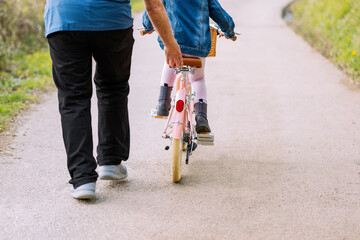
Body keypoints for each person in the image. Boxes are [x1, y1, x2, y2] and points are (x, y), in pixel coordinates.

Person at [44, 0, 183, 200]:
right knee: (113, 87)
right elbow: (154, 5)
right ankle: (110, 161)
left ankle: (83, 179)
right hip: (112, 21)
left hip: (64, 18)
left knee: (73, 98)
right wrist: (170, 44)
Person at [142, 0, 236, 133]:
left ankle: (163, 103)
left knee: (170, 61)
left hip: (173, 41)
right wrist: (229, 32)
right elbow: (219, 13)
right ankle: (201, 117)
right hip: (197, 45)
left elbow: (153, 7)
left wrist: (147, 26)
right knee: (198, 79)